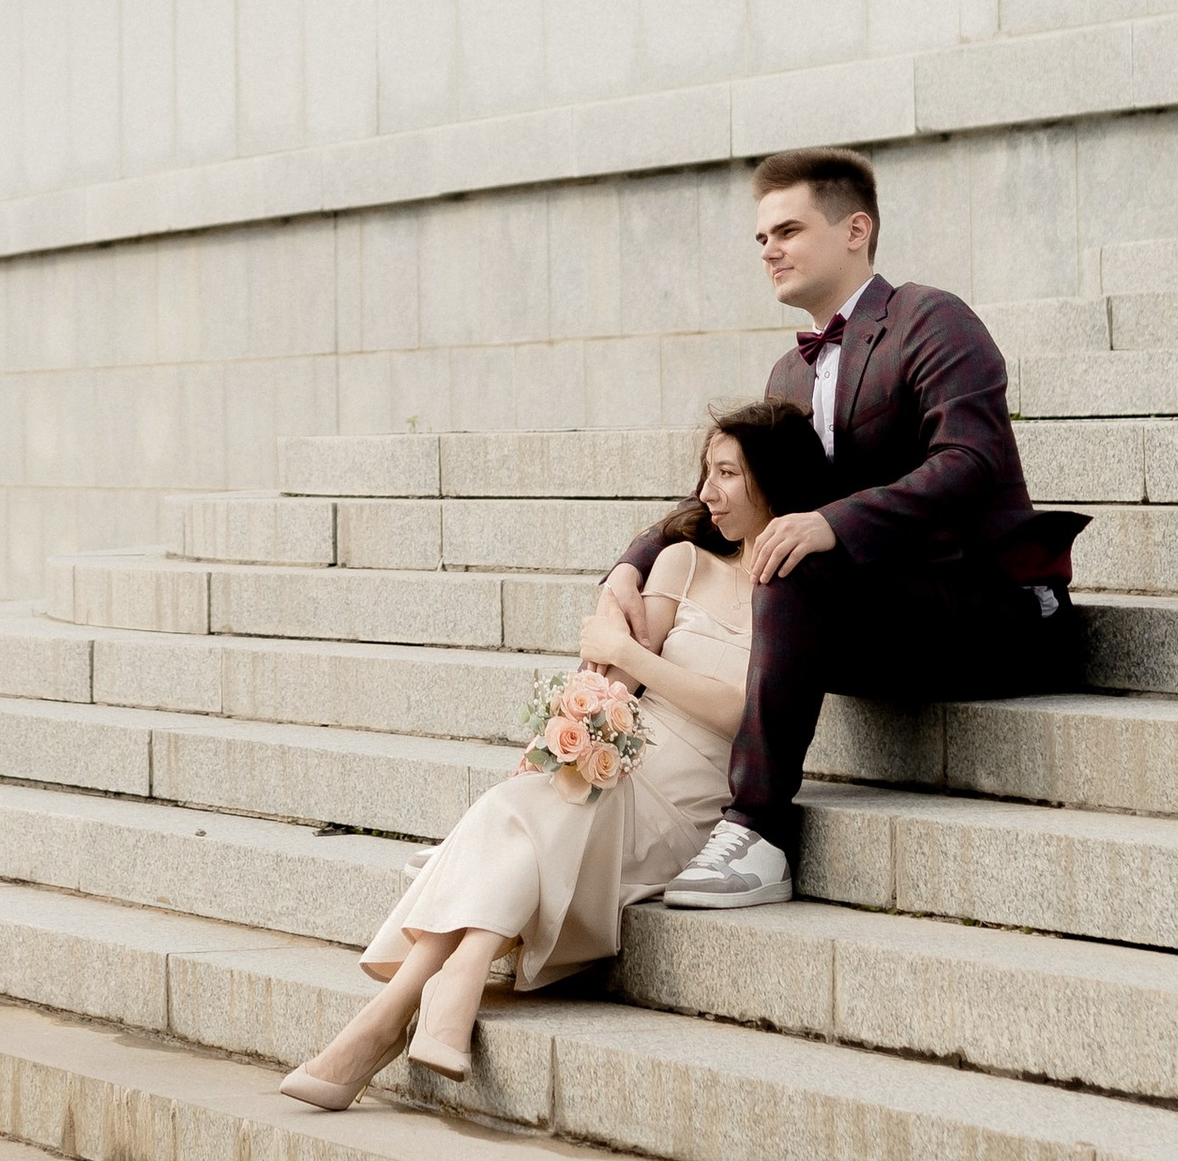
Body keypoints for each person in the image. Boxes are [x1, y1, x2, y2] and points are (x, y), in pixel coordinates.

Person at [275, 400, 830, 1107]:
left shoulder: (795, 592)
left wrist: (631, 652)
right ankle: (430, 994)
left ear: (772, 481)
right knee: (541, 795)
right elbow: (615, 681)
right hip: (625, 764)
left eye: (727, 473)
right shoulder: (684, 562)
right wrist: (577, 712)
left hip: (689, 804)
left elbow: (745, 712)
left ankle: (394, 1015)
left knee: (533, 812)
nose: (707, 492)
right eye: (707, 472)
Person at [615, 145, 1056, 913]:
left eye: (788, 230)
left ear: (856, 229)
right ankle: (573, 805)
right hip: (878, 613)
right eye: (761, 237)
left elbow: (973, 460)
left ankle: (757, 831)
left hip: (988, 606)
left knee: (791, 558)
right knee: (724, 564)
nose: (769, 250)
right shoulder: (788, 375)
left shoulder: (931, 319)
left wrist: (831, 521)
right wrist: (631, 562)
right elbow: (726, 493)